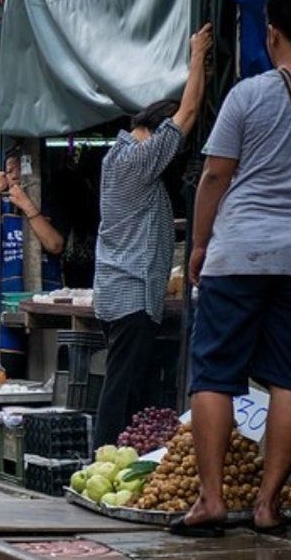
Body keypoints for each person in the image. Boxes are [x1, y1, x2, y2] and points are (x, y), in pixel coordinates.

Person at [176, 0, 291, 537]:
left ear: (271, 34)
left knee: (216, 373)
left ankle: (213, 500)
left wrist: (199, 244)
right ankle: (269, 504)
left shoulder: (249, 94)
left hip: (239, 250)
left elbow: (216, 175)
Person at [91, 22, 213, 447]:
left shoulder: (124, 160)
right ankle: (102, 456)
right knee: (122, 385)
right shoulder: (137, 160)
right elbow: (190, 112)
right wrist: (197, 55)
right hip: (129, 293)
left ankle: (122, 453)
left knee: (129, 383)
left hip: (121, 291)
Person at [0, 149, 65, 378]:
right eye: (9, 170)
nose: (14, 175)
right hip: (6, 306)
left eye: (21, 168)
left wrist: (28, 207)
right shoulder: (0, 207)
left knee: (49, 373)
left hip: (47, 305)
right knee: (10, 373)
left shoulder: (48, 204)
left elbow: (55, 245)